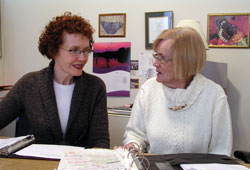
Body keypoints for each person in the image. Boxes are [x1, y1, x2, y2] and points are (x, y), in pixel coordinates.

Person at [0, 12, 110, 148]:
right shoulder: (29, 84)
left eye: (86, 50)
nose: (82, 58)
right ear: (53, 50)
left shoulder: (95, 87)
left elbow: (100, 141)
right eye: (74, 50)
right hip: (33, 167)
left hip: (78, 167)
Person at [122, 27, 232, 156]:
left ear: (184, 62)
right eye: (156, 56)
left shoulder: (214, 95)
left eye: (162, 58)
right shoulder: (148, 89)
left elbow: (221, 152)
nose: (155, 63)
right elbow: (134, 134)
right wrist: (133, 146)